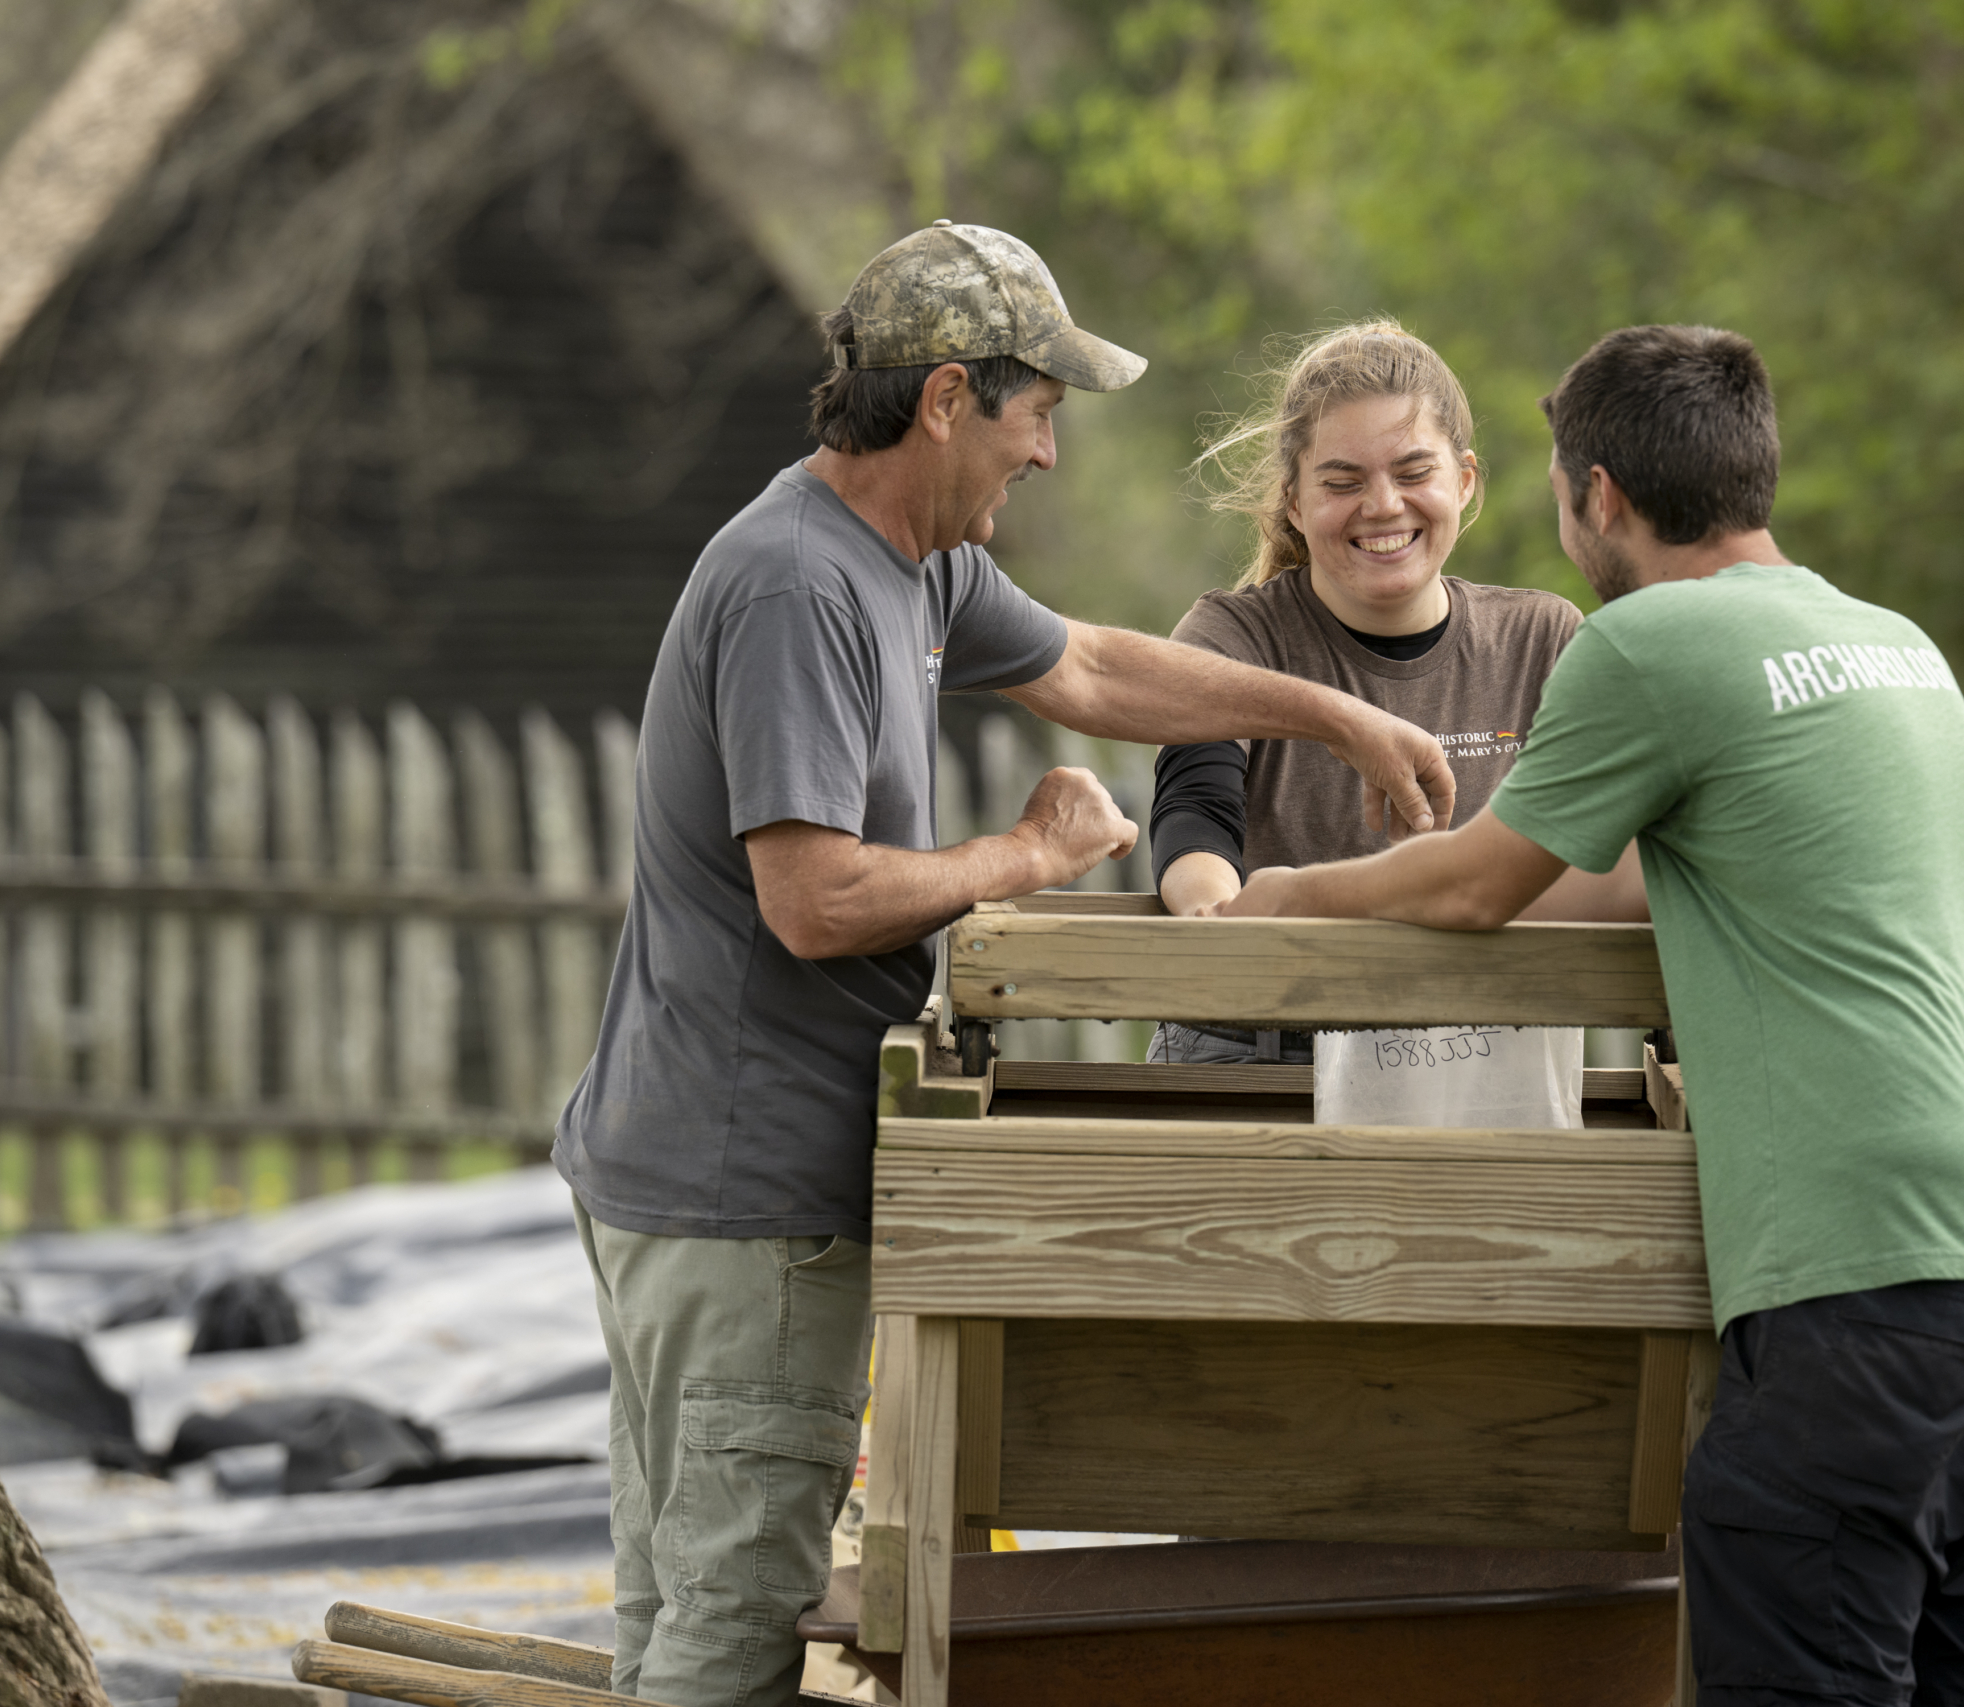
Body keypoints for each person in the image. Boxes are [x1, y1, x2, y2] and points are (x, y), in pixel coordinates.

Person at [551, 221, 1456, 1707]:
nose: (1046, 453)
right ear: (950, 398)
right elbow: (812, 896)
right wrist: (1024, 855)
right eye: (1039, 411)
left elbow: (1095, 668)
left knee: (677, 1611)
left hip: (704, 1182)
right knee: (728, 1625)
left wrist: (1333, 714)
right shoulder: (803, 586)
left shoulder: (910, 564)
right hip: (743, 1195)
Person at [1224, 325, 1964, 1705]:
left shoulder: (1652, 641)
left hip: (1868, 1264)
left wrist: (1287, 896)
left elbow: (1473, 885)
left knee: (1795, 1652)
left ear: (1599, 495)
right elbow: (1624, 884)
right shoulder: (1885, 641)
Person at [1148, 321, 1641, 1127]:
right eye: (1342, 481)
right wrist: (1215, 917)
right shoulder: (1231, 635)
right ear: (1295, 502)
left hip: (1485, 1061)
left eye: (1414, 472)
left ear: (1467, 481)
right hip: (1259, 1054)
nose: (1383, 506)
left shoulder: (1545, 639)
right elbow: (1196, 814)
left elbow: (1616, 854)